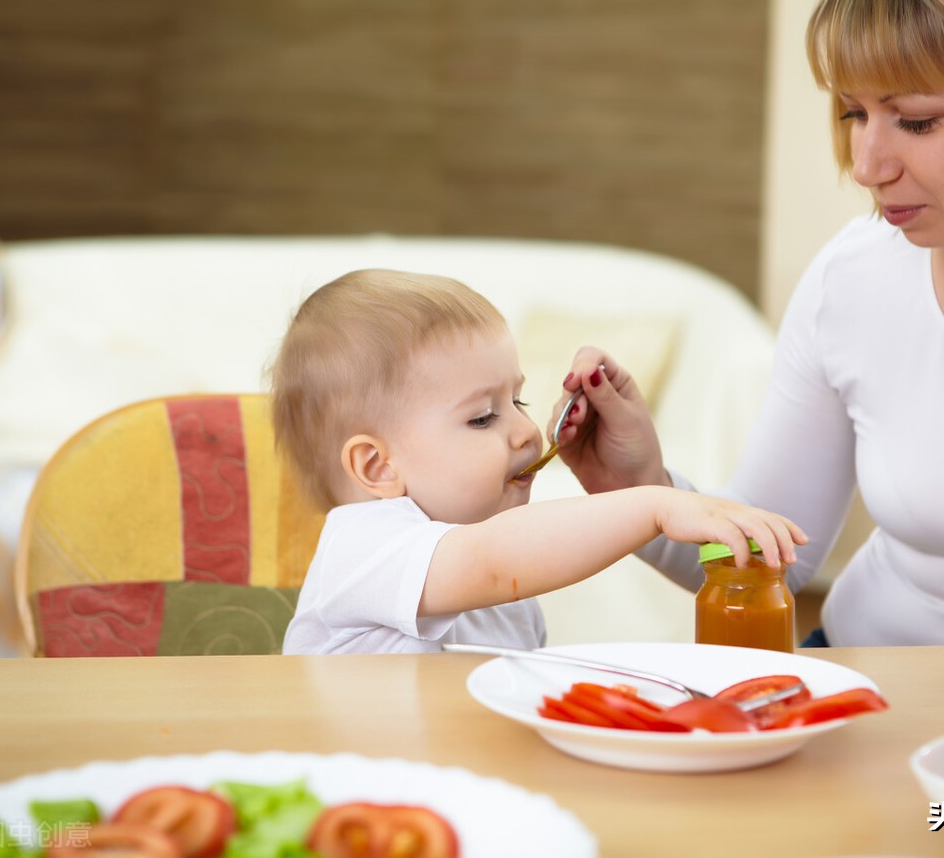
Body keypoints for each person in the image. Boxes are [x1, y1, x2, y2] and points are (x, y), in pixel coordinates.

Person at [548, 0, 944, 646]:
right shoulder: (854, 278)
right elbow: (764, 566)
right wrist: (643, 489)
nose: (868, 165)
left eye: (917, 120)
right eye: (853, 114)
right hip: (863, 690)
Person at [271, 268, 806, 654]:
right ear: (377, 467)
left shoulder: (508, 606)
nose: (526, 431)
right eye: (483, 418)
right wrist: (655, 506)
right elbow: (493, 561)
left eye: (518, 402)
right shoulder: (362, 544)